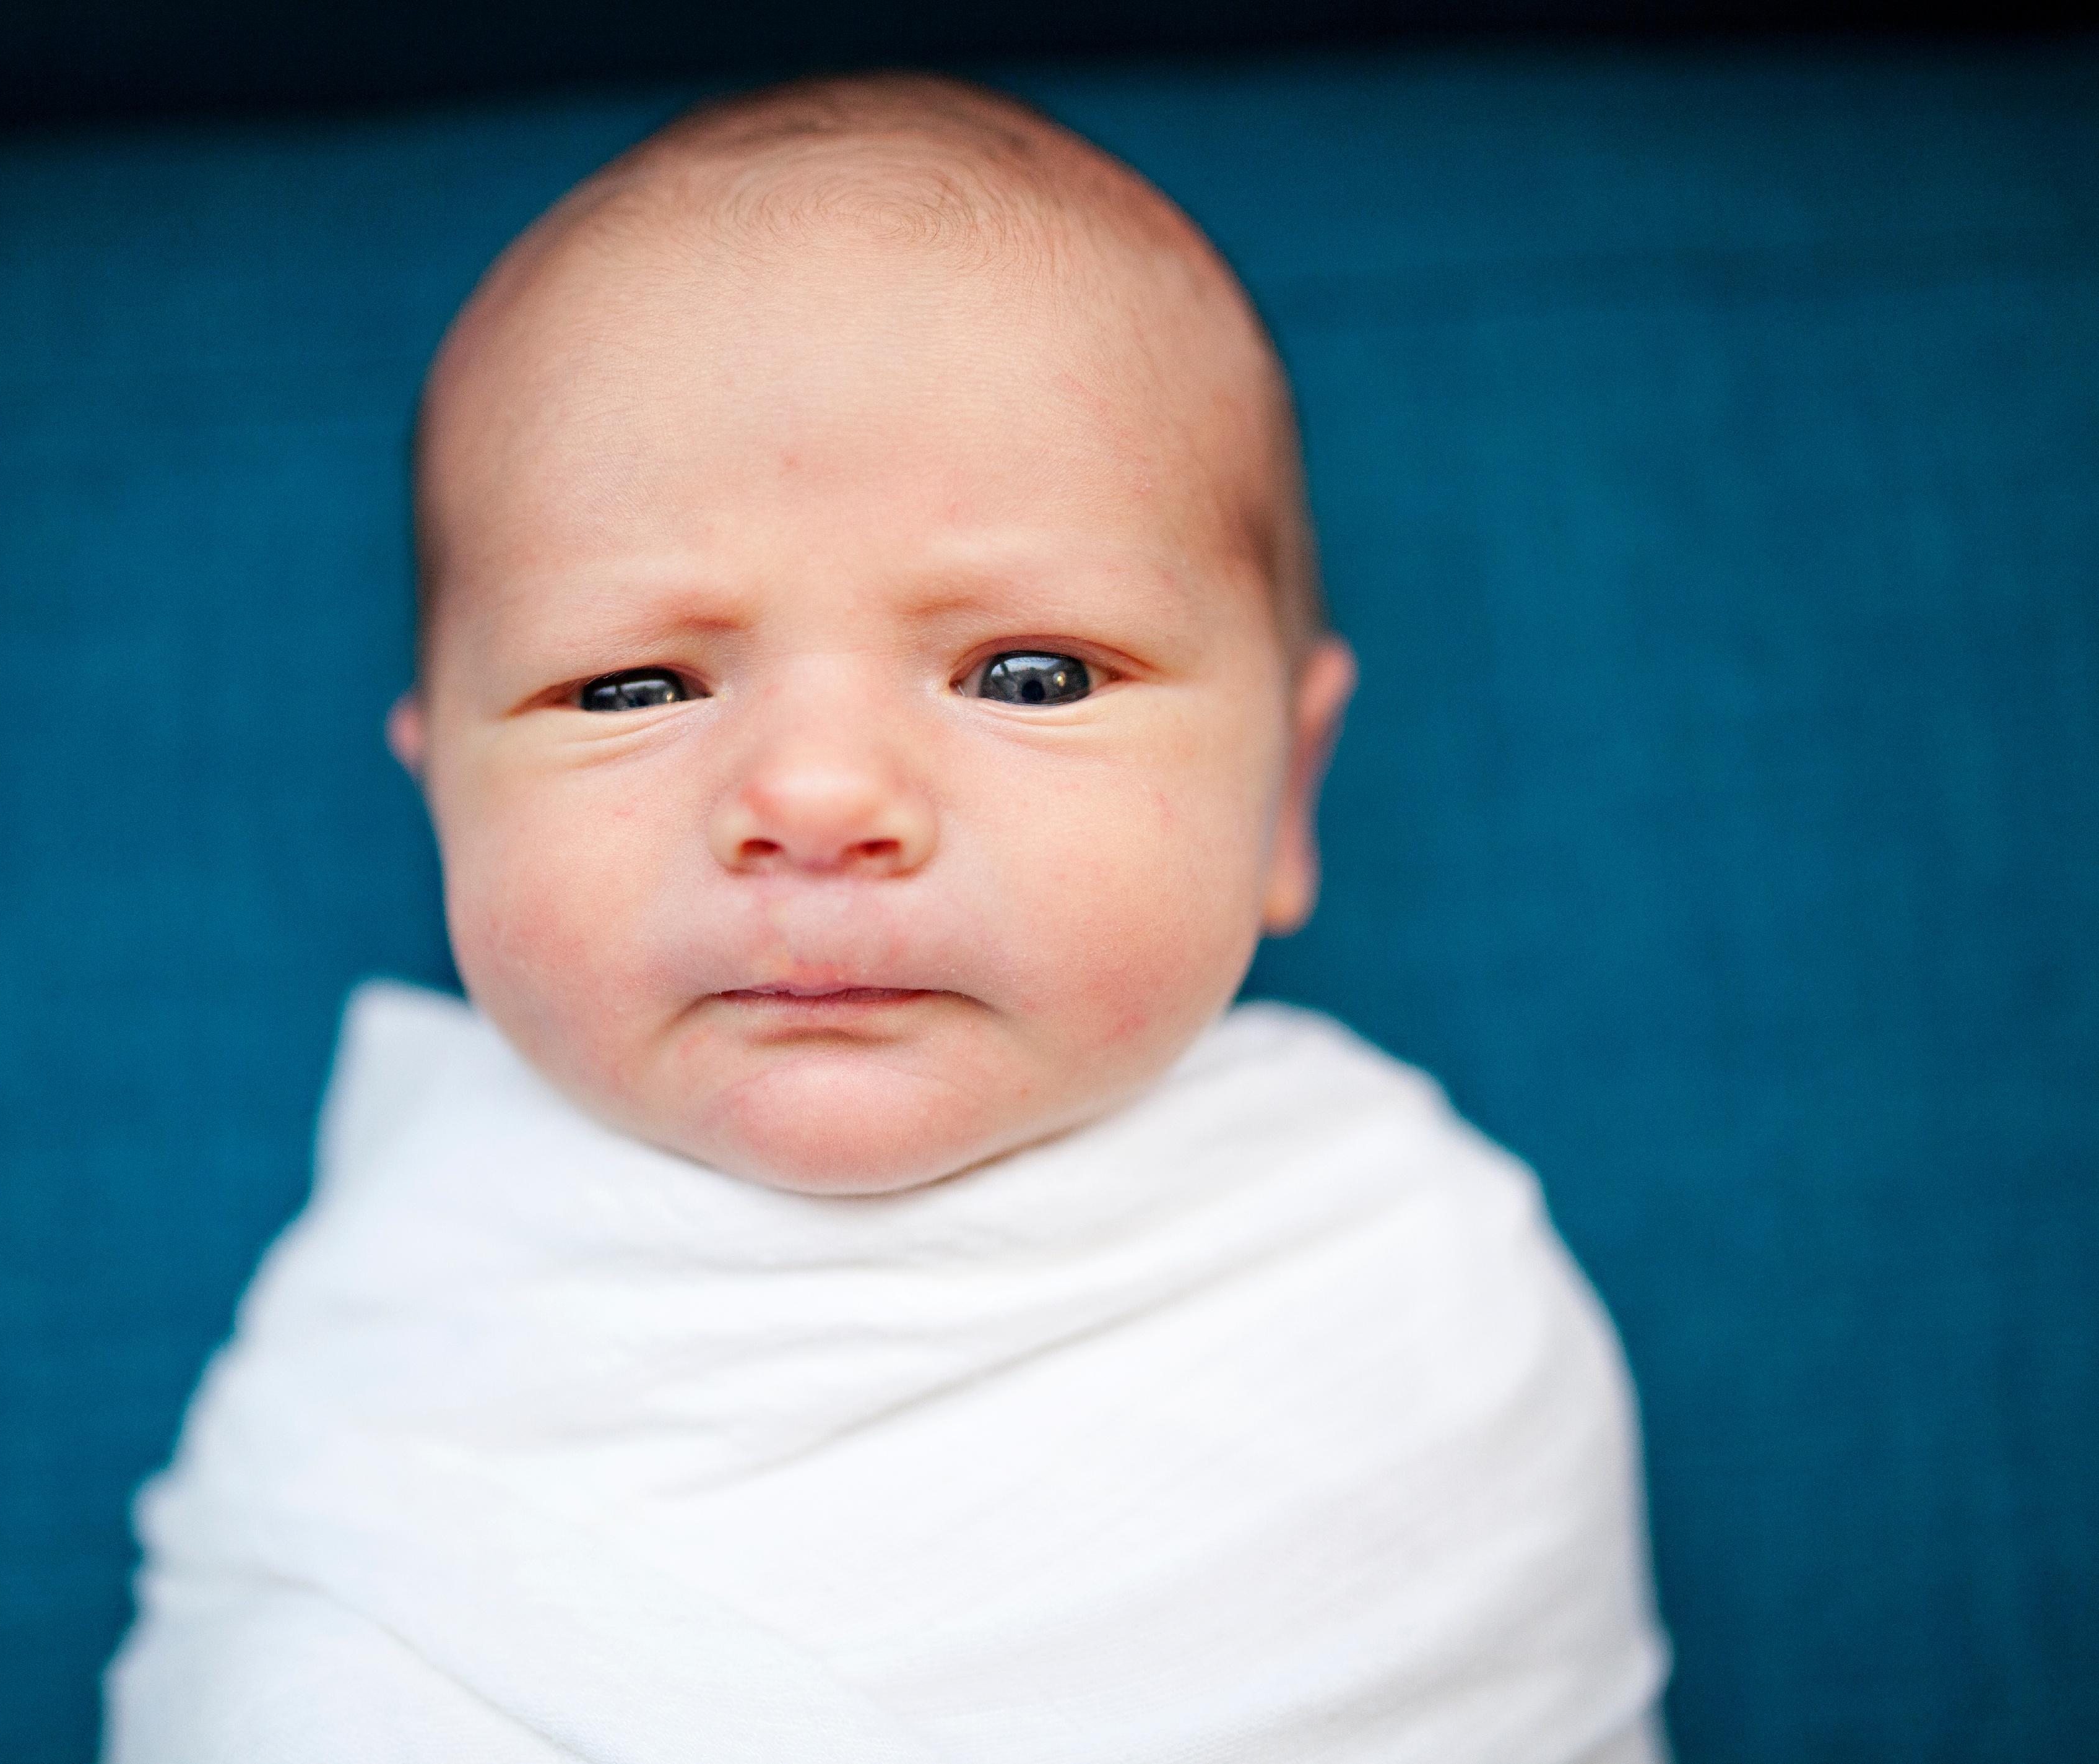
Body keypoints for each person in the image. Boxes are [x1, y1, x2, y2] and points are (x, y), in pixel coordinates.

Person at [105, 71, 1671, 1762]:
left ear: (1287, 796)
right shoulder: (406, 1291)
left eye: (1032, 671)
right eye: (629, 682)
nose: (819, 796)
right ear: (444, 809)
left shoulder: (1397, 1272)